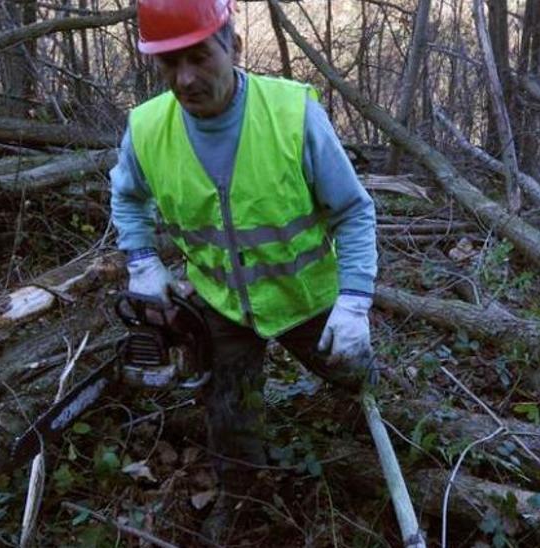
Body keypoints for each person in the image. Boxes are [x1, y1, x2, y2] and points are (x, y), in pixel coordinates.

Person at [108, 0, 378, 536]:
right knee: (230, 420)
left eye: (198, 57)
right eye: (169, 63)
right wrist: (141, 262)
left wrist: (354, 303)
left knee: (355, 379)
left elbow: (353, 210)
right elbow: (125, 198)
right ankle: (248, 509)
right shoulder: (146, 128)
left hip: (307, 300)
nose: (185, 79)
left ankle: (378, 432)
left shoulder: (292, 115)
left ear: (233, 45)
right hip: (224, 305)